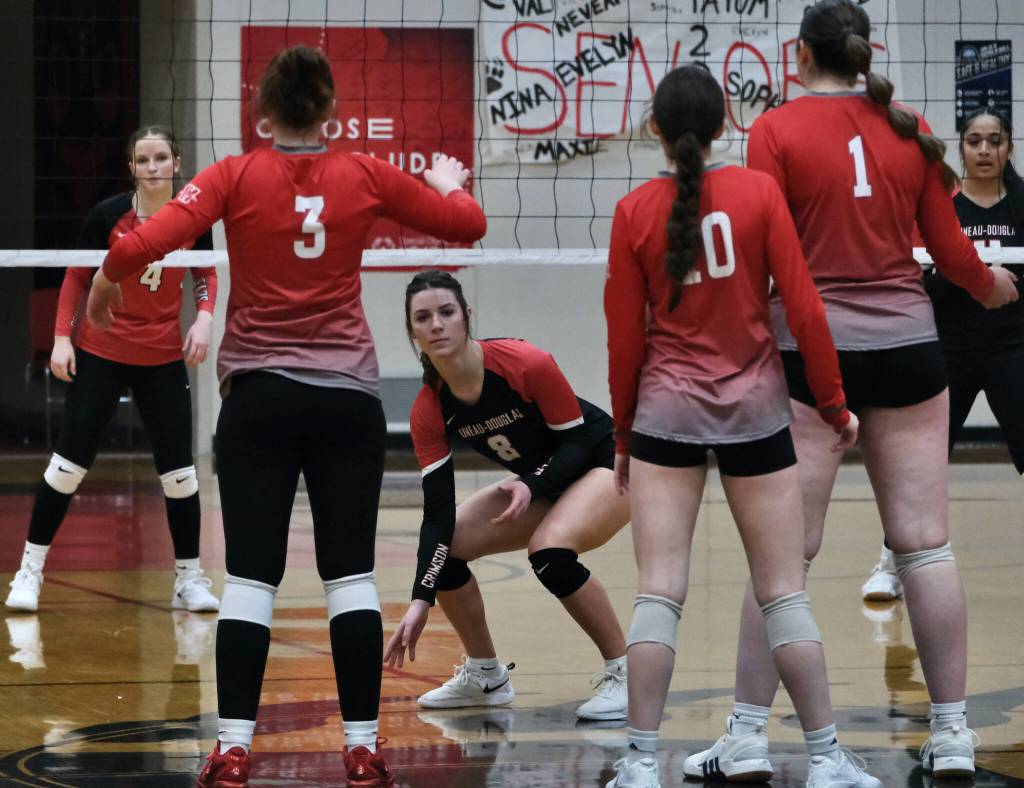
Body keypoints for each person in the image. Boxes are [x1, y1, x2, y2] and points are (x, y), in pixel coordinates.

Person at [85, 45, 486, 788]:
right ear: (330, 111)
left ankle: (233, 751)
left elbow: (143, 241)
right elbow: (468, 224)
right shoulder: (364, 172)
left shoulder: (233, 174)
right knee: (351, 580)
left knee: (250, 582)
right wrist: (445, 181)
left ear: (262, 113)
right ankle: (363, 750)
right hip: (347, 400)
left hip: (259, 400)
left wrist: (106, 283)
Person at [704, 1, 1019, 782]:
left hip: (814, 357)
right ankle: (952, 735)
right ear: (864, 52)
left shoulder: (773, 129)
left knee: (786, 556)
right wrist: (993, 289)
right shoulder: (907, 125)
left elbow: (762, 249)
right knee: (925, 543)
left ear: (802, 52)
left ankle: (747, 733)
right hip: (910, 350)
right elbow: (951, 253)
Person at [603, 64, 878, 788]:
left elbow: (623, 340)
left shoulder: (634, 211)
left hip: (665, 410)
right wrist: (834, 403)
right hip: (756, 408)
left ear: (655, 129)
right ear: (726, 124)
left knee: (659, 589)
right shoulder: (759, 194)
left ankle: (637, 763)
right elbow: (805, 308)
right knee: (783, 591)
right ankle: (824, 760)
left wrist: (624, 436)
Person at [383, 270, 630, 722]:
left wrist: (532, 483)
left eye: (446, 312)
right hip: (541, 482)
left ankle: (626, 672)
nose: (436, 324)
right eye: (423, 317)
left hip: (608, 464)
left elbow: (575, 443)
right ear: (411, 330)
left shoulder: (523, 362)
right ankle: (486, 675)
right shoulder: (429, 409)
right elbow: (436, 514)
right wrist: (421, 598)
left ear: (466, 317)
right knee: (449, 548)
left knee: (550, 551)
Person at [5, 125, 219, 615]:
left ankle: (188, 578)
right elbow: (77, 274)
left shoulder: (194, 218)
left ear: (176, 162)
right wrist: (62, 339)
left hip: (162, 355)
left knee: (180, 475)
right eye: (142, 160)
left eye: (160, 158)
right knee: (67, 467)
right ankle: (30, 571)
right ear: (131, 168)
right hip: (103, 351)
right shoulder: (107, 215)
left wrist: (204, 319)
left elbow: (206, 272)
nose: (152, 168)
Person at [862, 107, 1024, 601]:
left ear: (1008, 149)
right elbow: (926, 280)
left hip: (1012, 350)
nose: (983, 150)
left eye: (993, 141)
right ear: (961, 148)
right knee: (921, 464)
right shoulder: (944, 209)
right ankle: (891, 563)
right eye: (974, 141)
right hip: (950, 350)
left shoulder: (1021, 205)